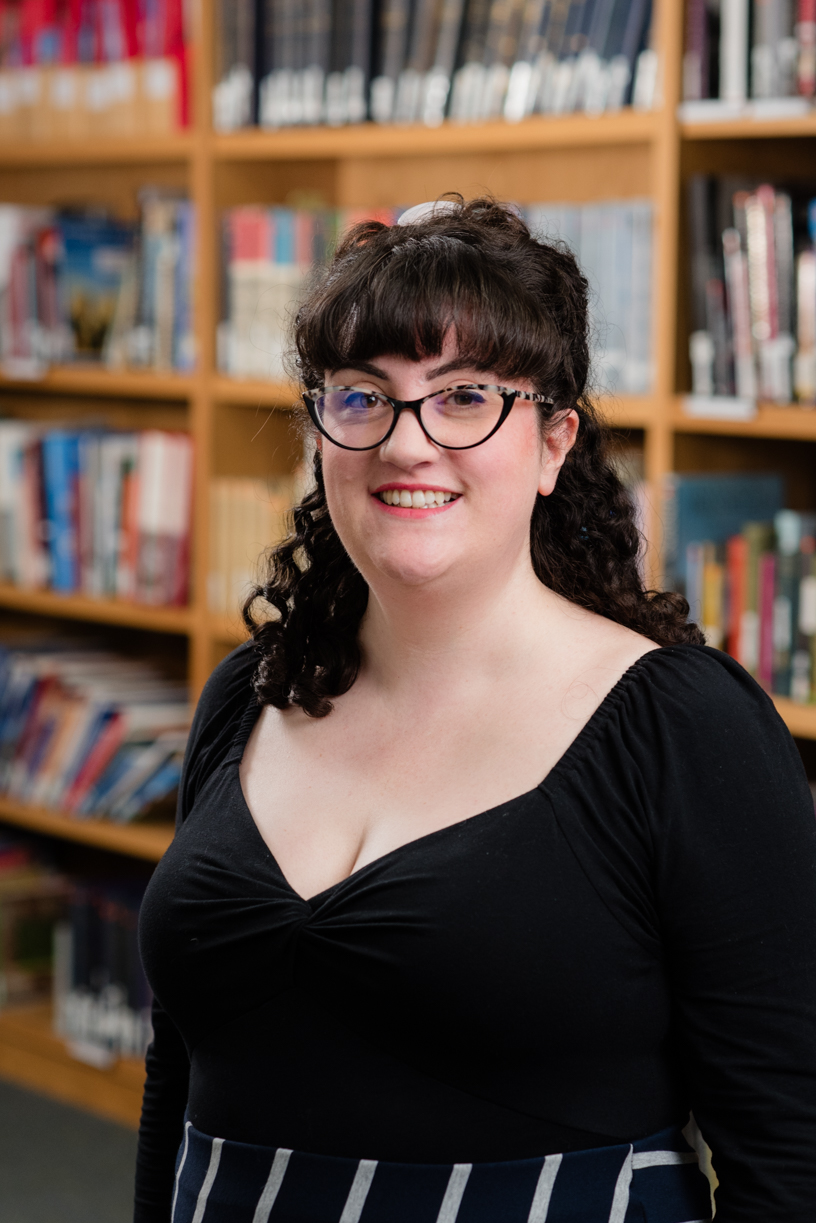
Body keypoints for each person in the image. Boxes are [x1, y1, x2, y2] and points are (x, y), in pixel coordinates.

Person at [135, 198, 816, 1223]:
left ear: (553, 443)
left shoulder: (682, 729)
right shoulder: (252, 690)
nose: (408, 442)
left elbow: (792, 1157)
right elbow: (180, 1069)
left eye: (463, 398)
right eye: (364, 396)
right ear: (323, 430)